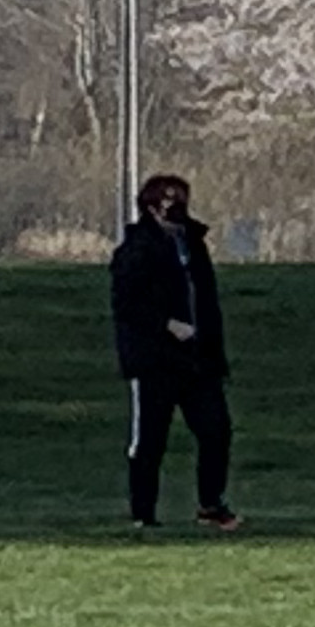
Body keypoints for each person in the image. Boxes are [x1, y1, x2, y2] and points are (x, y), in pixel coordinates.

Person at [111, 173, 240, 531]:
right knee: (150, 439)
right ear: (152, 207)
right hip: (155, 361)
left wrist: (213, 349)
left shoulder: (194, 245)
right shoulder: (136, 249)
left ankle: (211, 504)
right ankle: (143, 513)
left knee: (216, 430)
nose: (177, 207)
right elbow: (126, 303)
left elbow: (205, 300)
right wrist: (166, 324)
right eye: (168, 200)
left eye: (181, 198)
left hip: (198, 361)